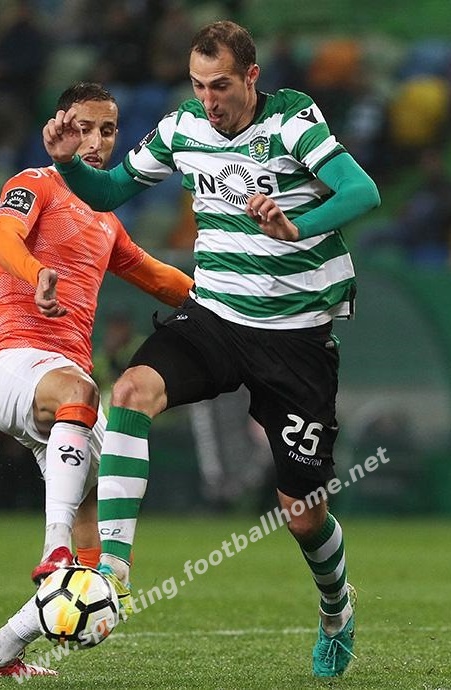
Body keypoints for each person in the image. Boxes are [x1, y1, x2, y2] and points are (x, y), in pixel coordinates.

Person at [42, 20, 380, 679]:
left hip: (295, 338)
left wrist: (297, 224)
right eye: (198, 86)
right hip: (216, 316)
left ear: (251, 77)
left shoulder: (291, 122)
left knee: (302, 515)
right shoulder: (181, 128)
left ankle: (337, 609)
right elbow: (109, 193)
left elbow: (361, 190)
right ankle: (112, 570)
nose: (208, 100)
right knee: (130, 391)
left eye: (220, 85)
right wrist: (67, 165)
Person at [0, 81, 193, 677]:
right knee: (83, 391)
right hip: (15, 364)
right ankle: (53, 545)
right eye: (83, 127)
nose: (95, 140)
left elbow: (160, 279)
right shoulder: (34, 183)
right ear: (60, 126)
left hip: (63, 397)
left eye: (107, 130)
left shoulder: (107, 218)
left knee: (102, 540)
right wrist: (35, 272)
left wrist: (239, 302)